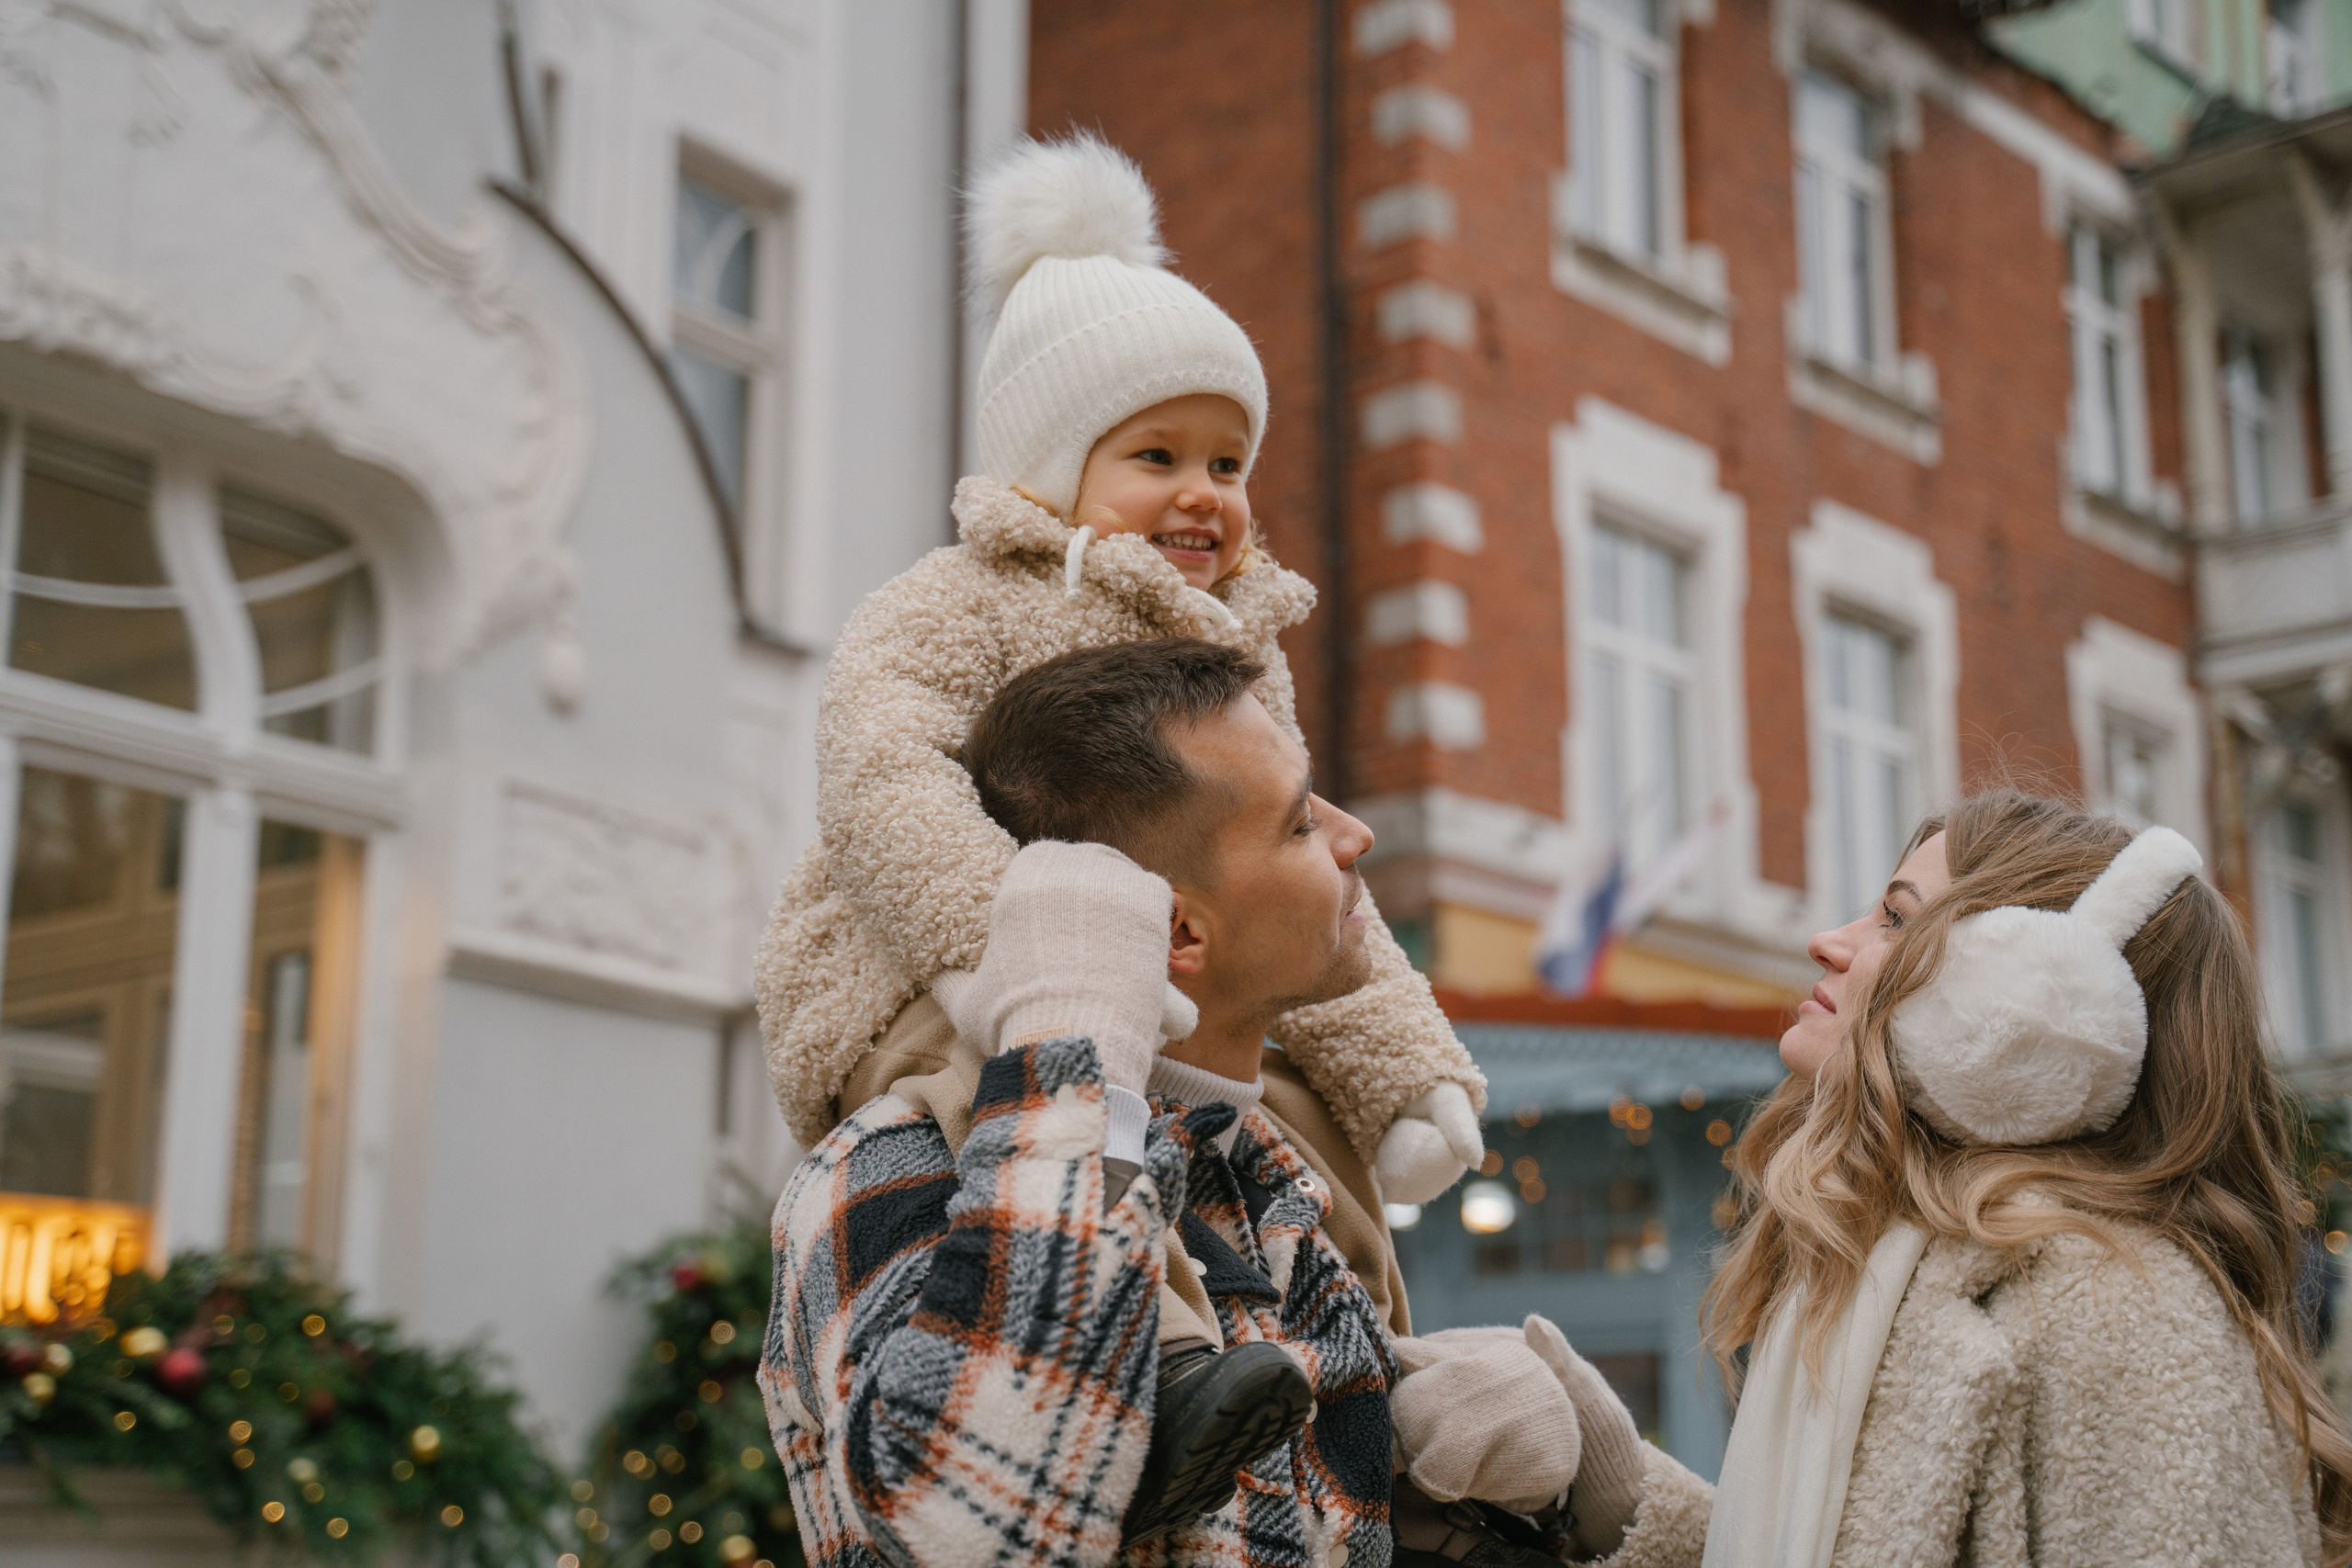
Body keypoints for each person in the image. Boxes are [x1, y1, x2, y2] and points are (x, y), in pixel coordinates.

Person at [752, 133, 1484, 1240]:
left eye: (1227, 464)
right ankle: (1166, 1348)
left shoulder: (1231, 640)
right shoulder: (959, 600)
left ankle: (1338, 1354)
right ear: (1055, 465)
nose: (1204, 495)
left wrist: (1400, 1069)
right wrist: (994, 956)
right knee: (991, 1119)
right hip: (907, 976)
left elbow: (1299, 855)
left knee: (1291, 1144)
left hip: (1163, 996)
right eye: (1158, 457)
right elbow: (881, 779)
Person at [1524, 790, 2352, 1566]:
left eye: (1896, 918)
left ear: (2034, 1005)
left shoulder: (2118, 1308)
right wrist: (1614, 1489)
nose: (1830, 939)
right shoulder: (1898, 1268)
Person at [761, 639, 1417, 1565]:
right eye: (1300, 824)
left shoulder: (1276, 1177)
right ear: (1178, 929)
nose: (1355, 836)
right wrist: (1077, 1057)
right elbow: (975, 1533)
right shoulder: (895, 1165)